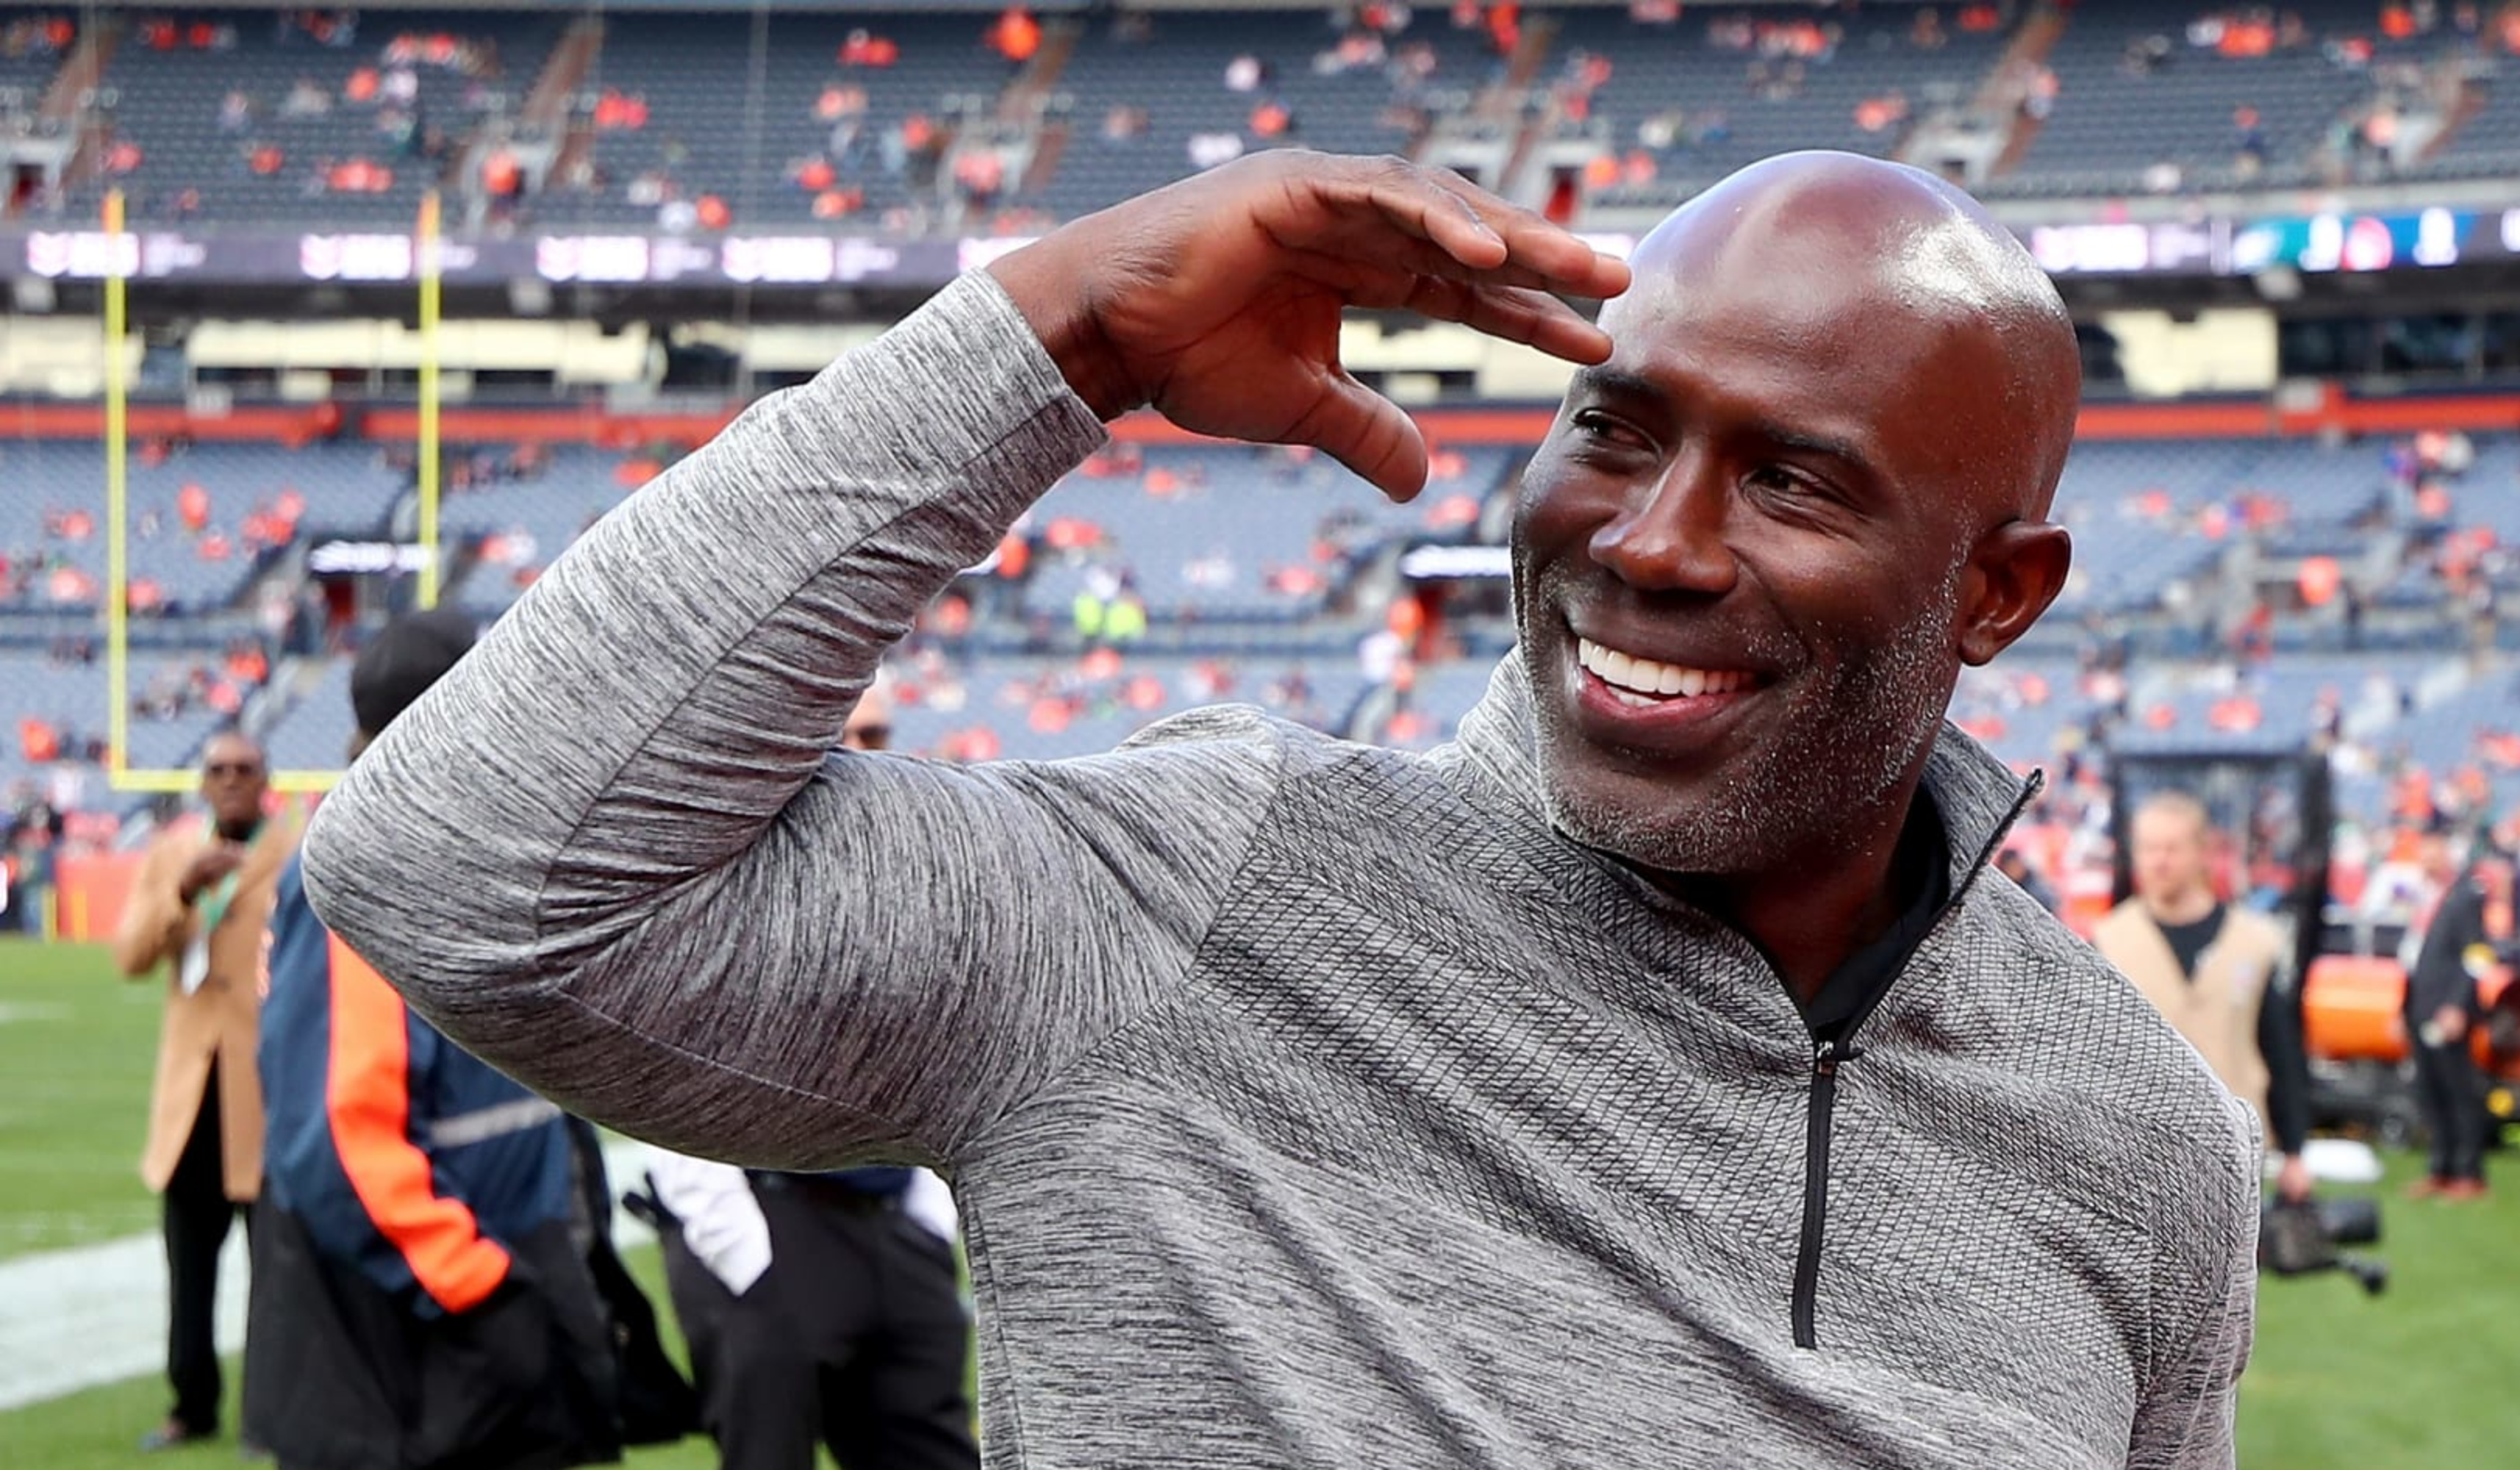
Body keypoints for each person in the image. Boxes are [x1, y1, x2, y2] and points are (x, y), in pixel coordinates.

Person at [304, 150, 2260, 1466]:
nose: (1652, 544)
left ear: (1998, 593)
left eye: (1796, 483)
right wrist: (1061, 331)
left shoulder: (2139, 1143)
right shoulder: (1200, 891)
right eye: (1618, 428)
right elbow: (468, 878)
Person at [246, 610, 622, 1470]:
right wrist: (481, 1286)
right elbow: (342, 1132)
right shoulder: (362, 867)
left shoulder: (451, 855)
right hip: (426, 1340)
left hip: (479, 1304)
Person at [639, 679, 978, 1470]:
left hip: (889, 1225)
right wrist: (743, 1252)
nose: (862, 759)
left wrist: (929, 1218)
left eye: (877, 736)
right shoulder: (718, 880)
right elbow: (664, 1068)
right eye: (843, 736)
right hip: (771, 1217)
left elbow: (940, 1061)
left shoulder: (909, 885)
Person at [111, 732, 297, 1452]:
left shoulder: (291, 855)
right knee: (189, 1264)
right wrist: (182, 891)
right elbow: (130, 955)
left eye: (243, 769)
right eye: (217, 769)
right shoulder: (168, 857)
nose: (229, 780)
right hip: (192, 1092)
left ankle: (267, 1412)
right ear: (201, 782)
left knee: (271, 1270)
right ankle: (191, 1404)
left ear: (265, 780)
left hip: (264, 1087)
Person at [2092, 792, 2313, 1202]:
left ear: (2202, 852)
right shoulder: (2108, 941)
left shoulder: (2253, 942)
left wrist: (2295, 1150)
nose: (2159, 861)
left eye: (2172, 849)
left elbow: (2281, 1051)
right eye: (2149, 848)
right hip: (2139, 1145)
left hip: (2233, 1146)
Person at [2402, 847, 2504, 1201]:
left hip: (2447, 1010)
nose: (2424, 862)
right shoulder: (2431, 899)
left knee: (2459, 1090)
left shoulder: (2465, 897)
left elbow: (2477, 955)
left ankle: (2469, 1172)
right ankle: (2441, 1167)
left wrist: (2458, 1006)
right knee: (2431, 1091)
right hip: (2423, 1007)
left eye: (2431, 853)